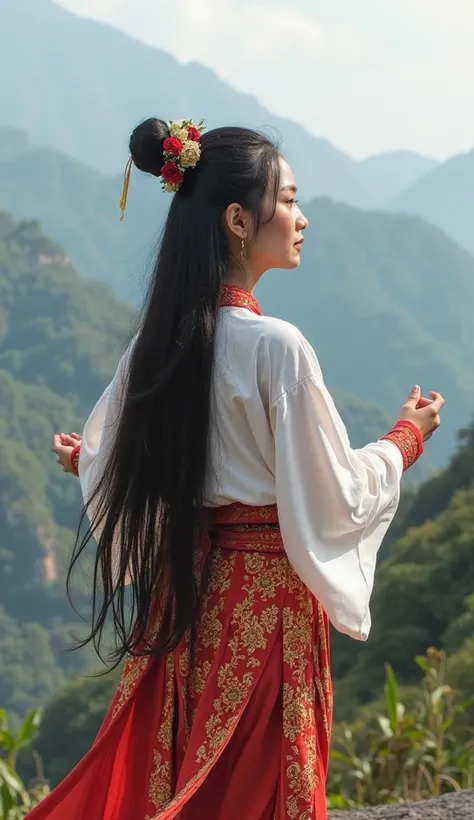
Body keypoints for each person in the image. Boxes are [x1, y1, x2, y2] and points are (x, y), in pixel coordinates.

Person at [34, 117, 444, 820]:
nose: (301, 215)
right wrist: (405, 439)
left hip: (192, 600)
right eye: (286, 199)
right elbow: (335, 494)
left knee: (196, 775)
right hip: (271, 602)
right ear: (236, 218)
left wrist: (91, 463)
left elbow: (124, 452)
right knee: (260, 788)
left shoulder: (160, 343)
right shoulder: (276, 347)